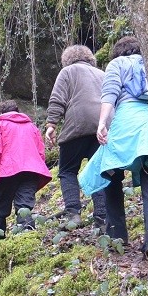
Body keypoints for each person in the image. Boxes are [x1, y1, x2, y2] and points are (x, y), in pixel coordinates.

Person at [79, 36, 148, 261]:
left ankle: (117, 235)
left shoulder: (117, 64)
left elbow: (109, 95)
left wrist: (102, 124)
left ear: (118, 52)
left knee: (110, 173)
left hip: (126, 123)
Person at [45, 45, 107, 230]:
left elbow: (58, 98)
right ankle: (102, 217)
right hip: (102, 127)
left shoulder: (68, 71)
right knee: (98, 171)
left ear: (67, 59)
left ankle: (73, 214)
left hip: (77, 125)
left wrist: (51, 125)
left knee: (67, 170)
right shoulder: (102, 74)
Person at [0, 100, 52, 237]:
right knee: (24, 206)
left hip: (7, 171)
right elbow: (40, 152)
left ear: (0, 113)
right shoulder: (32, 127)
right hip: (31, 171)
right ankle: (27, 238)